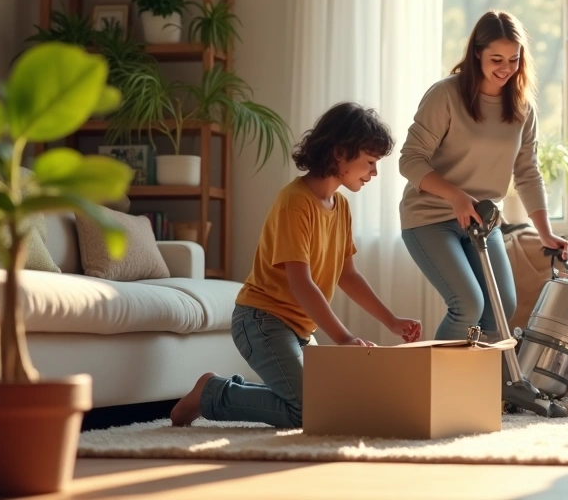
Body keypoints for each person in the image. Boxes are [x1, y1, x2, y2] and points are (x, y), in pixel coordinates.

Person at [170, 102, 424, 428]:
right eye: (370, 162)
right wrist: (344, 338)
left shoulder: (341, 206)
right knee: (308, 411)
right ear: (340, 153)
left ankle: (218, 390)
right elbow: (300, 282)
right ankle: (210, 394)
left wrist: (391, 321)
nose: (374, 173)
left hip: (300, 329)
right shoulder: (295, 203)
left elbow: (347, 275)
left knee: (327, 405)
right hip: (262, 320)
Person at [399, 10, 568, 343]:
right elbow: (410, 160)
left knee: (501, 307)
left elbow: (527, 172)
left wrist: (545, 232)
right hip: (429, 219)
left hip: (482, 222)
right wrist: (456, 196)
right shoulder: (445, 95)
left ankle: (474, 378)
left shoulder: (522, 108)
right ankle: (438, 378)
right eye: (496, 59)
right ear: (477, 53)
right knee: (467, 305)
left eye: (513, 59)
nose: (506, 68)